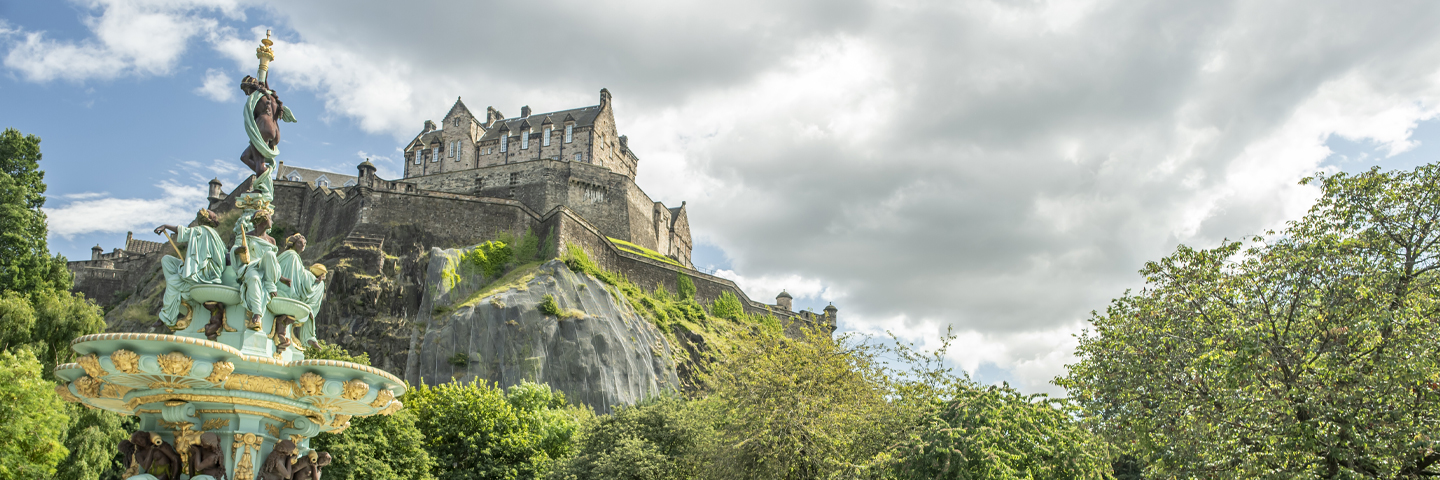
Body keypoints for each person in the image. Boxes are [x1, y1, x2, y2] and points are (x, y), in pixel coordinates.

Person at [153, 209, 226, 329]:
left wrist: (165, 226)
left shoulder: (203, 230)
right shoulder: (209, 232)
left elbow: (183, 231)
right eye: (214, 216)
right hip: (204, 269)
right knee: (167, 260)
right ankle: (179, 286)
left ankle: (166, 317)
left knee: (173, 282)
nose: (216, 217)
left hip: (205, 273)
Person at [233, 209, 287, 330]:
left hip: (267, 269)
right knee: (253, 278)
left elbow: (274, 262)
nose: (272, 221)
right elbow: (234, 250)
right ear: (262, 220)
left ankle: (269, 282)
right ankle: (257, 315)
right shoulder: (247, 236)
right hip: (251, 267)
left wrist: (282, 279)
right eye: (270, 218)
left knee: (269, 255)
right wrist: (238, 250)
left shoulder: (271, 240)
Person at [277, 233, 327, 348]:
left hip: (286, 289)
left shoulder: (292, 256)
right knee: (318, 288)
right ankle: (308, 337)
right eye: (300, 243)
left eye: (304, 244)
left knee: (316, 291)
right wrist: (315, 280)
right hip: (287, 290)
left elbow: (301, 274)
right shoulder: (292, 256)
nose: (302, 246)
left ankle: (309, 337)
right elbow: (300, 275)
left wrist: (315, 279)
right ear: (293, 243)